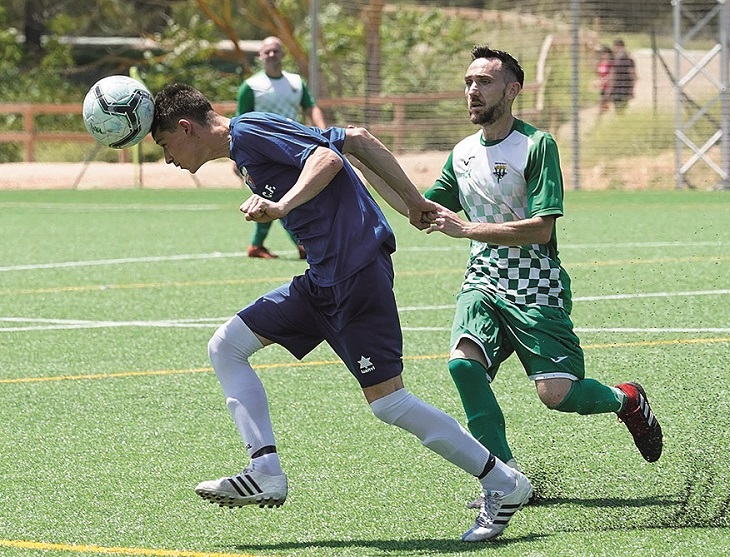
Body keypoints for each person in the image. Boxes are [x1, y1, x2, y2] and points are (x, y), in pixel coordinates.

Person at [149, 83, 532, 542]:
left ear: (187, 128)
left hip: (355, 272)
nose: (168, 158)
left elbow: (329, 158)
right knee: (227, 345)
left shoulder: (247, 131)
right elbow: (355, 139)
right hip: (321, 280)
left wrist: (281, 206)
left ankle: (503, 483)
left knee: (390, 403)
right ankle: (265, 471)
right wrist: (411, 203)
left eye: (166, 144)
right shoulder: (243, 152)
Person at [413, 46, 662, 506]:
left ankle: (626, 399)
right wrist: (361, 160)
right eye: (468, 81)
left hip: (535, 284)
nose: (472, 90)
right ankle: (504, 481)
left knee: (556, 395)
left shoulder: (536, 145)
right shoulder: (462, 152)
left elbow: (542, 227)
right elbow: (424, 209)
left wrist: (468, 228)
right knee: (463, 365)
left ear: (512, 90)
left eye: (484, 82)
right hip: (482, 280)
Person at [238, 36, 327, 259]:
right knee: (279, 195)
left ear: (282, 55)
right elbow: (239, 123)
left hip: (292, 148)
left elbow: (311, 107)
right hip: (262, 151)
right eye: (267, 51)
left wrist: (323, 131)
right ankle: (301, 244)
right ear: (260, 56)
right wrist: (236, 158)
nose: (271, 55)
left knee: (282, 195)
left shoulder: (296, 82)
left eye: (276, 51)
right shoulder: (250, 87)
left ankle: (258, 245)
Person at [610, 38, 637, 113]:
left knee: (622, 107)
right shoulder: (614, 58)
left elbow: (633, 74)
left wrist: (632, 89)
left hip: (625, 86)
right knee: (617, 106)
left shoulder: (628, 59)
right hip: (616, 86)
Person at [595, 45, 613, 116]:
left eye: (604, 53)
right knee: (603, 106)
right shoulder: (600, 63)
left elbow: (611, 75)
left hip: (609, 88)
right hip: (602, 87)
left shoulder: (611, 63)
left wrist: (601, 81)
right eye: (602, 53)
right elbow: (599, 74)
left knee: (604, 106)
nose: (603, 55)